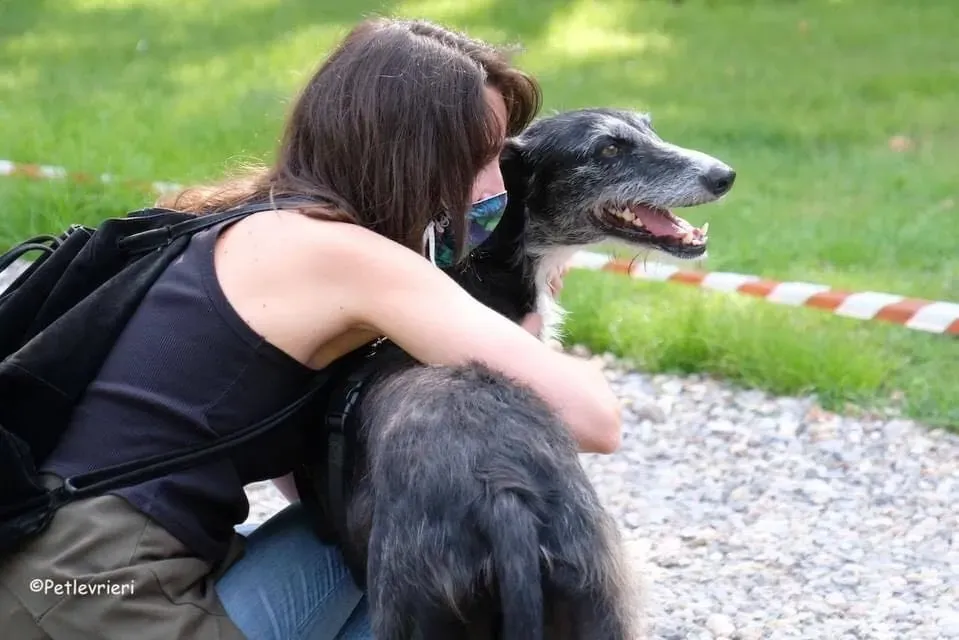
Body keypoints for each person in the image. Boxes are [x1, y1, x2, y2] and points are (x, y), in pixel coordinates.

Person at [0, 17, 622, 640]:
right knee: (435, 530)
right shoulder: (346, 256)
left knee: (391, 524)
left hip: (44, 567)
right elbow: (595, 420)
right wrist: (531, 315)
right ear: (415, 156)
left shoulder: (252, 219)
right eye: (483, 158)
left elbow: (305, 484)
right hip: (97, 592)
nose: (498, 184)